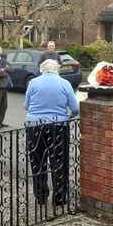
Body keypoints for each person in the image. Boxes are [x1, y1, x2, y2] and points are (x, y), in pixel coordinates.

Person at [25, 59, 80, 207]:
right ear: (57, 69)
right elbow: (75, 108)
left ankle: (41, 197)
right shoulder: (64, 83)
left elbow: (26, 105)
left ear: (42, 69)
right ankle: (60, 198)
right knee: (59, 162)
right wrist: (69, 115)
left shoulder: (33, 83)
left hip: (34, 125)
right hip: (58, 126)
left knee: (37, 162)